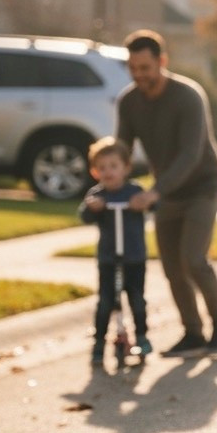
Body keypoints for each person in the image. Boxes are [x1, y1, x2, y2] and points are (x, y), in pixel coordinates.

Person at [116, 29, 217, 356]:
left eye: (145, 68)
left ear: (162, 62)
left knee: (193, 259)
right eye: (133, 69)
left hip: (202, 186)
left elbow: (190, 154)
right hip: (166, 191)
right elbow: (123, 148)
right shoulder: (129, 101)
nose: (139, 75)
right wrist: (108, 175)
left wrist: (155, 192)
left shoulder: (188, 96)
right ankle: (193, 333)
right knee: (171, 268)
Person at [79, 136, 150, 365]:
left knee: (137, 300)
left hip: (134, 258)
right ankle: (99, 343)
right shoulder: (98, 194)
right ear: (94, 171)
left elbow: (153, 204)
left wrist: (144, 201)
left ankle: (141, 336)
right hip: (109, 259)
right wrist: (93, 208)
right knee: (105, 303)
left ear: (126, 168)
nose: (108, 172)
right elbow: (85, 215)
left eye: (113, 166)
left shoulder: (134, 191)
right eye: (102, 168)